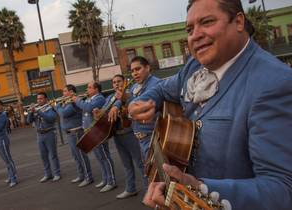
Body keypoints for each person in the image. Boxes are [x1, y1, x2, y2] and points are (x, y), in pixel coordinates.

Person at [128, 0, 292, 210]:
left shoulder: (273, 82)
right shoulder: (194, 66)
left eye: (207, 22)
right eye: (189, 29)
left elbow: (282, 189)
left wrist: (200, 189)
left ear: (239, 21)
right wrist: (139, 102)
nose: (195, 35)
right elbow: (160, 89)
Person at [99, 74, 147, 199]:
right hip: (118, 135)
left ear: (124, 82)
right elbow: (104, 112)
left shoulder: (130, 93)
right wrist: (98, 113)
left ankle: (149, 192)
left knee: (141, 163)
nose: (116, 84)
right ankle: (130, 189)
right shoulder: (110, 97)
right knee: (126, 164)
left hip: (131, 133)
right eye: (114, 82)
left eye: (119, 81)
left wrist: (116, 104)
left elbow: (128, 103)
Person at [73, 82, 116, 193]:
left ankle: (111, 181)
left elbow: (88, 108)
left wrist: (77, 100)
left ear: (96, 89)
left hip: (98, 131)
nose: (87, 89)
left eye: (89, 87)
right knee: (99, 157)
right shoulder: (88, 99)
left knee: (104, 157)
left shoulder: (99, 98)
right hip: (90, 132)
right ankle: (105, 179)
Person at [56, 85, 93, 187]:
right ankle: (81, 175)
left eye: (64, 91)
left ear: (71, 92)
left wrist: (57, 106)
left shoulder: (73, 103)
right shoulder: (66, 102)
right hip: (70, 133)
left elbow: (63, 114)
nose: (63, 94)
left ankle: (88, 177)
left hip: (76, 132)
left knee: (81, 156)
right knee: (76, 157)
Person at [124, 56, 160, 160]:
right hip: (141, 139)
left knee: (158, 174)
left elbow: (141, 107)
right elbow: (128, 101)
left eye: (138, 69)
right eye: (132, 71)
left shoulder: (155, 83)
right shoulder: (134, 87)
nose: (134, 73)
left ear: (148, 68)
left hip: (153, 138)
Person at [27, 92, 61, 183]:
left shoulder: (50, 108)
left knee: (53, 155)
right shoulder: (36, 109)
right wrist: (30, 112)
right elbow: (28, 121)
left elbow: (50, 119)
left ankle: (57, 173)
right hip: (39, 134)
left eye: (41, 99)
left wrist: (39, 112)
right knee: (43, 156)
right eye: (38, 99)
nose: (39, 100)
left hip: (49, 133)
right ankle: (48, 174)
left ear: (46, 99)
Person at [0, 100, 18, 187]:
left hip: (2, 139)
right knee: (5, 160)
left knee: (8, 159)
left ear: (1, 106)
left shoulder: (2, 115)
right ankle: (10, 175)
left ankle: (14, 178)